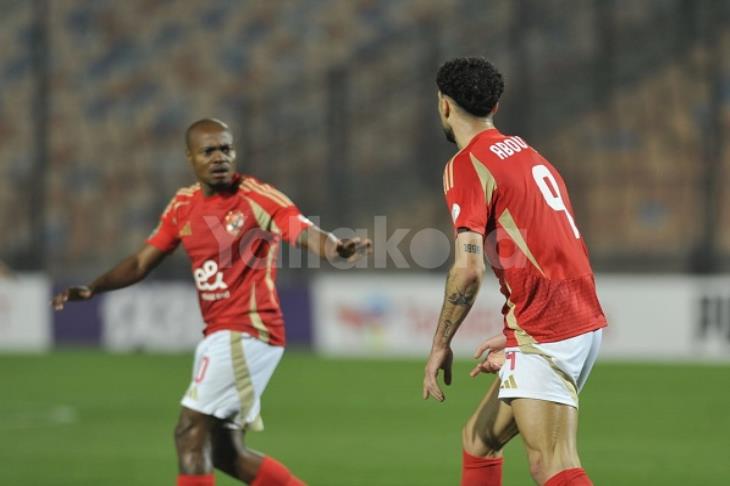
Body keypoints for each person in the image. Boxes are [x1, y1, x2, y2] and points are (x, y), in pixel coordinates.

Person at [52, 118, 371, 486]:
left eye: (226, 148)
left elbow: (299, 227)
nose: (220, 157)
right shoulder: (182, 205)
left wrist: (334, 247)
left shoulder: (256, 196)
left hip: (249, 329)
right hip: (222, 333)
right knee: (223, 451)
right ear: (191, 158)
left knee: (190, 431)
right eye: (209, 150)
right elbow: (141, 261)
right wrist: (94, 288)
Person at [422, 57, 607, 486]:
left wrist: (439, 345)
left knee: (553, 465)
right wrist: (515, 333)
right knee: (479, 439)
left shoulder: (467, 165)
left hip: (551, 324)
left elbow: (467, 271)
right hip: (568, 315)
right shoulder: (524, 150)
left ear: (444, 105)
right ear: (495, 106)